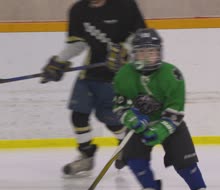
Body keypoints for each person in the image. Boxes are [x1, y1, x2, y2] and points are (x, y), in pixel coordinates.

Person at [112, 28, 218, 190]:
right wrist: (131, 117)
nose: (146, 57)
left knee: (186, 163)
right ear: (134, 54)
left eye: (151, 52)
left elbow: (176, 111)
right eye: (142, 52)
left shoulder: (172, 74)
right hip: (140, 125)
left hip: (169, 124)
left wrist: (159, 130)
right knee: (134, 158)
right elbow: (120, 105)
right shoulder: (124, 75)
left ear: (159, 53)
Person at [40, 0, 147, 177]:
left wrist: (125, 49)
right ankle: (86, 156)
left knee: (110, 119)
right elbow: (78, 43)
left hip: (119, 75)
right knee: (78, 115)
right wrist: (60, 61)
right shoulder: (78, 10)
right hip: (90, 73)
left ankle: (124, 143)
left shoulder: (125, 5)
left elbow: (141, 34)